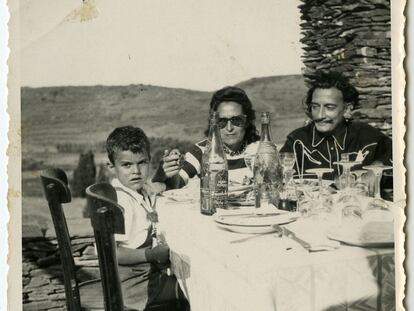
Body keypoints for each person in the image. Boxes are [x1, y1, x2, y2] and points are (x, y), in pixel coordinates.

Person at [83, 126, 188, 310]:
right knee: (192, 287)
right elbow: (110, 252)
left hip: (141, 278)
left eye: (142, 162)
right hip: (134, 287)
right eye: (127, 165)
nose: (136, 171)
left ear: (150, 160)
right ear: (111, 166)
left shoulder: (136, 190)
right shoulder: (121, 202)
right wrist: (150, 255)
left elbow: (163, 186)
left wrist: (166, 172)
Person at [280, 71, 392, 184]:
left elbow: (399, 154)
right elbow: (277, 177)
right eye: (315, 107)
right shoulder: (297, 141)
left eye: (329, 107)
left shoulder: (367, 136)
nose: (320, 115)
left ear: (347, 109)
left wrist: (377, 167)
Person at [153, 86, 260, 189]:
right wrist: (165, 172)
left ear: (247, 121)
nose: (229, 128)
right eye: (221, 121)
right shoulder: (201, 151)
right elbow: (178, 181)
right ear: (214, 123)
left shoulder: (262, 149)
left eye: (237, 120)